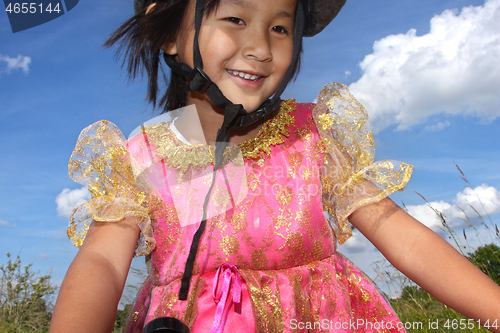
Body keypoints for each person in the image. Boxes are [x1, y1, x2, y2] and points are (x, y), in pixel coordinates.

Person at [50, 0, 500, 332]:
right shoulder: (145, 153)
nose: (262, 48)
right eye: (236, 19)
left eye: (281, 28)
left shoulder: (311, 134)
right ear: (169, 33)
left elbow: (399, 234)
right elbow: (104, 263)